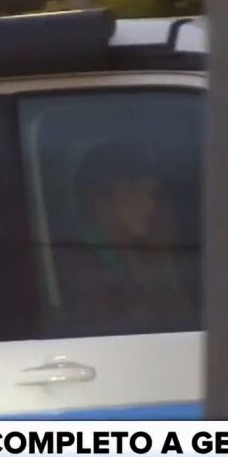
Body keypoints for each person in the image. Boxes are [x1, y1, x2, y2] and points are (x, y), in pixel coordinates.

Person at [51, 142, 195, 337]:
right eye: (136, 191)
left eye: (152, 193)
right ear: (101, 200)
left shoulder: (134, 253)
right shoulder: (78, 266)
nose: (151, 204)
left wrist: (164, 264)